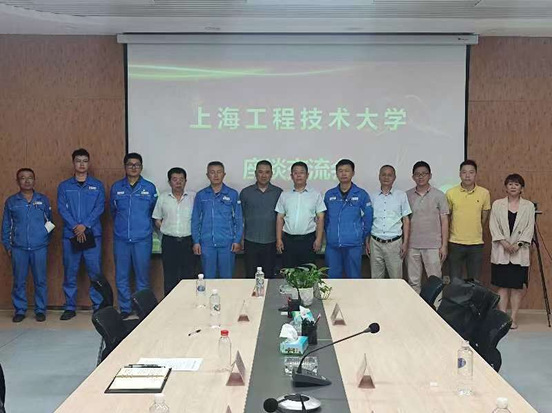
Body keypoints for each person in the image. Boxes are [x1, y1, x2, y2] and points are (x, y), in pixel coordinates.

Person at [57, 148, 105, 320]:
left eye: (85, 161)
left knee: (95, 273)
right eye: (78, 161)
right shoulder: (64, 186)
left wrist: (85, 225)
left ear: (88, 163)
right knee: (70, 272)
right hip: (71, 235)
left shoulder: (97, 185)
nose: (82, 164)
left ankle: (98, 306)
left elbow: (100, 207)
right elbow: (62, 208)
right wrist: (75, 227)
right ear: (73, 163)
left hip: (92, 234)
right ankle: (70, 307)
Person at [2, 168, 53, 322]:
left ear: (34, 180)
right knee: (19, 281)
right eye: (23, 178)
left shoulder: (43, 200)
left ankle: (40, 310)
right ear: (17, 182)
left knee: (41, 280)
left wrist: (44, 239)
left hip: (39, 248)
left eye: (30, 177)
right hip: (19, 248)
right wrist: (8, 246)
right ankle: (20, 310)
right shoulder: (12, 202)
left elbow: (49, 222)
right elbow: (6, 225)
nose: (27, 181)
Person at [110, 153, 158, 318]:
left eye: (137, 164)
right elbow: (113, 211)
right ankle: (125, 308)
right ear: (125, 167)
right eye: (130, 164)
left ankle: (142, 308)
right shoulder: (116, 187)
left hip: (142, 239)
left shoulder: (149, 188)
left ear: (141, 167)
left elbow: (154, 212)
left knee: (142, 277)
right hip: (121, 239)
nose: (133, 167)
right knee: (121, 276)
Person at [490, 174, 534, 329]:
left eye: (516, 184)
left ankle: (513, 318)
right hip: (501, 250)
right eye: (510, 184)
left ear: (522, 188)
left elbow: (529, 228)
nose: (513, 187)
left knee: (516, 287)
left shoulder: (528, 206)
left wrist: (518, 244)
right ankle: (503, 318)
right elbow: (493, 225)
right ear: (506, 187)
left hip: (519, 251)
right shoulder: (497, 204)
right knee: (502, 286)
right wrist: (503, 242)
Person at [192, 161, 243, 279]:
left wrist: (237, 240)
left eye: (219, 172)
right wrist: (196, 241)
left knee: (226, 278)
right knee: (208, 278)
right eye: (212, 172)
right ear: (207, 175)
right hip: (206, 244)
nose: (216, 175)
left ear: (224, 174)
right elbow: (195, 220)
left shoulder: (232, 194)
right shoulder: (201, 195)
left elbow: (238, 219)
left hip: (227, 243)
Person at [324, 159, 373, 278]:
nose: (343, 173)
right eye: (340, 171)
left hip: (353, 245)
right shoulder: (330, 194)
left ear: (353, 173)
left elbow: (368, 218)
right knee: (333, 279)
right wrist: (330, 232)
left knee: (354, 279)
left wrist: (359, 235)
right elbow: (325, 219)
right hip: (333, 245)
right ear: (336, 173)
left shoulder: (361, 194)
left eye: (347, 170)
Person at [406, 161, 449, 293]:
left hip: (433, 246)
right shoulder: (407, 195)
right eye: (417, 174)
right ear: (413, 177)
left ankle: (436, 306)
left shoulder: (439, 195)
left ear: (430, 175)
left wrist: (444, 245)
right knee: (413, 282)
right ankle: (415, 306)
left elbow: (444, 221)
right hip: (412, 245)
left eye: (424, 174)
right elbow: (405, 221)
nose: (421, 177)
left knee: (435, 281)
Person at [153, 167, 196, 295]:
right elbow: (157, 218)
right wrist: (166, 229)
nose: (178, 182)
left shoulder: (193, 197)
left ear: (186, 181)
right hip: (169, 242)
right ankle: (169, 304)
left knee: (188, 276)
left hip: (188, 241)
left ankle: (187, 303)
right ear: (169, 182)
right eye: (175, 179)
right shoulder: (163, 198)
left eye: (181, 179)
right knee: (170, 276)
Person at [275, 161, 326, 269]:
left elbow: (320, 218)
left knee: (307, 273)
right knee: (288, 272)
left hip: (308, 241)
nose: (298, 175)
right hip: (288, 241)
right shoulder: (284, 195)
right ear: (291, 176)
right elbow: (280, 218)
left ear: (307, 175)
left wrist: (318, 239)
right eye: (295, 173)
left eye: (302, 172)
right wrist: (279, 239)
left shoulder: (315, 195)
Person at [446, 160, 491, 280]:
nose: (467, 175)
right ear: (459, 174)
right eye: (464, 172)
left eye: (471, 172)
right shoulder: (450, 193)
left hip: (476, 244)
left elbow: (484, 217)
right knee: (455, 280)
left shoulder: (484, 193)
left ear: (476, 174)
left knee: (474, 281)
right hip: (455, 242)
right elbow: (447, 217)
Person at [239, 160, 282, 278]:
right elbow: (240, 218)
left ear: (271, 174)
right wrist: (240, 238)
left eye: (267, 172)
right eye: (260, 172)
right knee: (250, 276)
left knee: (269, 276)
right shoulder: (246, 192)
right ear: (255, 173)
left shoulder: (279, 193)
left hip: (271, 241)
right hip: (250, 241)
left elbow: (282, 218)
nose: (264, 175)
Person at [369, 165, 411, 279]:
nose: (386, 177)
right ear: (379, 176)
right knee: (376, 279)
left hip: (394, 243)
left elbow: (406, 220)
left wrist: (405, 243)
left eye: (389, 175)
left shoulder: (401, 195)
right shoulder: (372, 196)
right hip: (375, 242)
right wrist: (367, 240)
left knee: (396, 279)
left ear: (394, 177)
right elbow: (368, 219)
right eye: (383, 174)